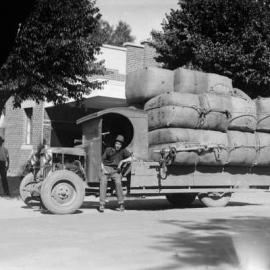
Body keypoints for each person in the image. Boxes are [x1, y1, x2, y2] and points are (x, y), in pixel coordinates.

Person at [99, 134, 132, 212]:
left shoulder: (123, 151)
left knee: (118, 182)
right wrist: (103, 169)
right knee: (103, 182)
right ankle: (102, 204)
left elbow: (131, 158)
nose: (118, 145)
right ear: (114, 143)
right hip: (106, 168)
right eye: (117, 143)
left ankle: (121, 204)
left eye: (120, 144)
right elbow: (101, 161)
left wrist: (122, 161)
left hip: (115, 171)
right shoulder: (108, 150)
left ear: (121, 145)